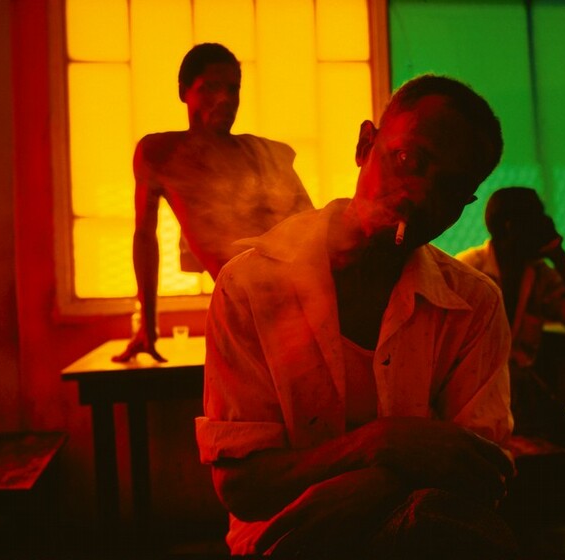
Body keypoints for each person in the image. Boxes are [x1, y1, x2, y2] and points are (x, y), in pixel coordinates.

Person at [195, 75, 518, 559]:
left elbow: (480, 473)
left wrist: (368, 487)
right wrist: (382, 443)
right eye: (409, 160)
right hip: (283, 543)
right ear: (366, 144)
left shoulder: (474, 304)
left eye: (449, 188)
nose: (418, 195)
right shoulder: (250, 286)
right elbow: (241, 486)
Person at [114, 43, 313, 363]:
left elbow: (312, 234)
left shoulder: (265, 156)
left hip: (299, 309)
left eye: (233, 89)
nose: (224, 99)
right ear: (183, 92)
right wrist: (148, 326)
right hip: (242, 312)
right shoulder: (161, 154)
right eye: (210, 88)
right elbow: (145, 237)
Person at [456, 187, 565, 459]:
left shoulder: (537, 274)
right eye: (538, 217)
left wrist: (558, 252)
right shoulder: (468, 272)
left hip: (520, 397)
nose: (546, 223)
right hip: (475, 397)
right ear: (511, 227)